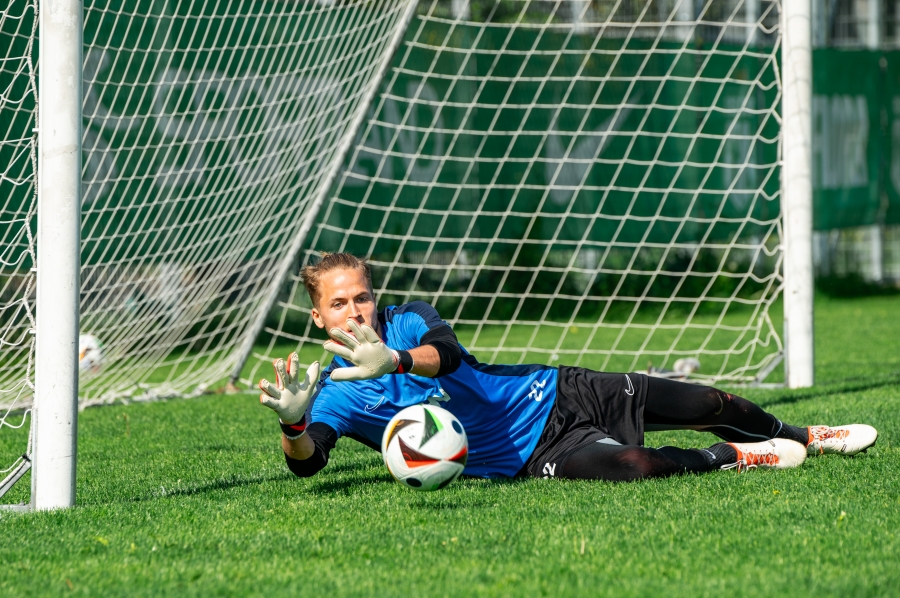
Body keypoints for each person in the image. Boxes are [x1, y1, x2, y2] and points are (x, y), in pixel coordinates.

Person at [258, 252, 877, 482]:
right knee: (638, 465)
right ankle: (739, 457)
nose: (354, 309)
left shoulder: (408, 320)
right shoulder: (334, 393)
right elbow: (311, 464)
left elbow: (446, 354)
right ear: (318, 317)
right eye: (338, 303)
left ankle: (805, 436)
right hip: (527, 457)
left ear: (375, 296)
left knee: (707, 404)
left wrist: (392, 357)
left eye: (361, 296)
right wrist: (293, 426)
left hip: (554, 391)